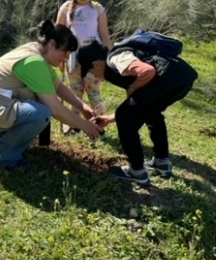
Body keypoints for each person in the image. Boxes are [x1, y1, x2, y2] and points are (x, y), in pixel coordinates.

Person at [0, 19, 104, 169]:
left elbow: (58, 86)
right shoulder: (34, 62)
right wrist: (84, 125)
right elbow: (56, 110)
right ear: (53, 44)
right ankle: (5, 156)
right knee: (41, 113)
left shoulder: (37, 51)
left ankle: (3, 142)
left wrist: (83, 107)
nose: (66, 58)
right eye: (65, 52)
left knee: (41, 101)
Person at [77, 40, 198, 186]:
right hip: (182, 79)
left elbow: (147, 71)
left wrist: (132, 90)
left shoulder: (116, 58)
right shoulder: (113, 66)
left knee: (125, 116)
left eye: (90, 72)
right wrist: (110, 118)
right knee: (152, 114)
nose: (92, 76)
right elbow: (140, 107)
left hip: (169, 77)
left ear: (96, 64)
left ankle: (137, 171)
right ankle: (162, 163)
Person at [56, 0, 112, 135]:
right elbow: (58, 32)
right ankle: (75, 126)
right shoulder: (66, 8)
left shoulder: (97, 9)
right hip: (72, 57)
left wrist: (107, 57)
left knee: (94, 92)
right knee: (74, 92)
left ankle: (99, 125)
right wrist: (60, 56)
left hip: (94, 59)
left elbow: (104, 34)